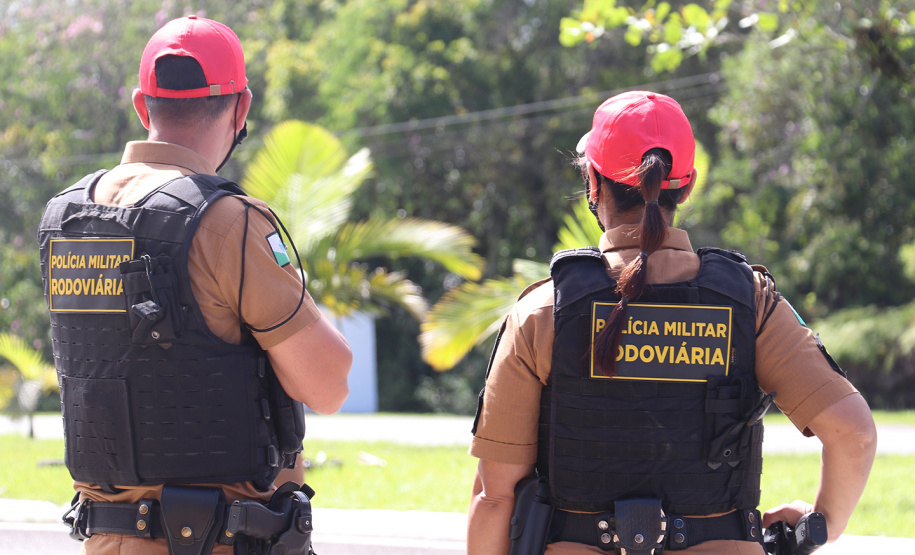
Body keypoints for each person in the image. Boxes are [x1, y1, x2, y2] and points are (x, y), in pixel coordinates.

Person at [466, 90, 877, 555]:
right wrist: (823, 522)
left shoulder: (543, 311)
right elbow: (854, 434)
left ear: (594, 184)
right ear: (688, 184)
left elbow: (495, 496)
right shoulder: (750, 304)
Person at [38, 15, 352, 555]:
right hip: (214, 540)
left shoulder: (64, 218)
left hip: (104, 536)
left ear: (142, 106)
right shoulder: (229, 221)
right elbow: (328, 385)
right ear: (242, 107)